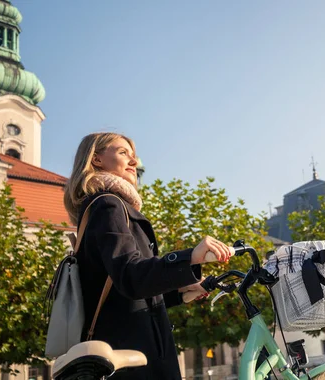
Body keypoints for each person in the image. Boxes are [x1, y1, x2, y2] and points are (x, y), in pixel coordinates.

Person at [63, 132, 233, 379]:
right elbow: (132, 277)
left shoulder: (110, 207)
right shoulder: (108, 205)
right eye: (123, 153)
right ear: (96, 159)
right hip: (133, 356)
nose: (134, 162)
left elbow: (123, 290)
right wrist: (190, 256)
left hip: (130, 347)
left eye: (135, 156)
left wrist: (180, 292)